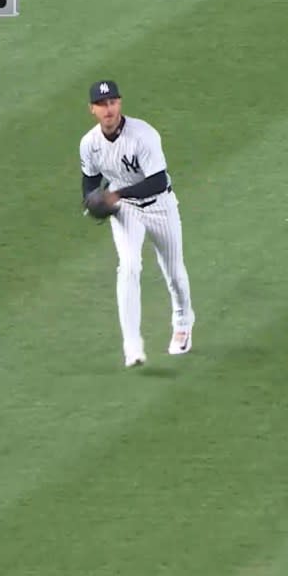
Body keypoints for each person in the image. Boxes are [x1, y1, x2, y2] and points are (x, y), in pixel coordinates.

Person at [79, 80, 195, 367]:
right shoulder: (89, 144)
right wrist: (91, 202)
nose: (108, 109)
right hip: (126, 210)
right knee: (129, 267)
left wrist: (116, 194)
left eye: (112, 102)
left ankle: (182, 321)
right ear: (92, 109)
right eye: (102, 104)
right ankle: (132, 345)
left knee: (174, 272)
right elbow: (90, 181)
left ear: (119, 103)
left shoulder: (143, 135)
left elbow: (158, 181)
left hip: (160, 205)